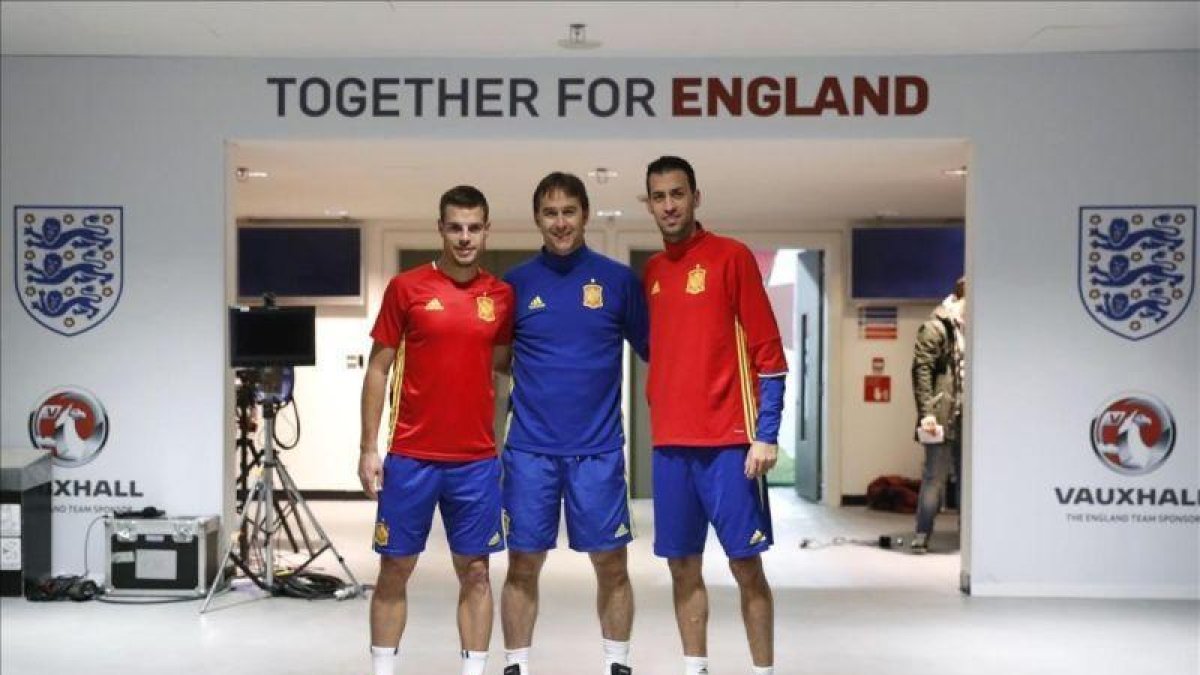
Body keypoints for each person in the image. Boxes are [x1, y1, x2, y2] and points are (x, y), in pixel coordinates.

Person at [357, 185, 514, 675]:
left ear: (486, 230)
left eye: (474, 227)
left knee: (477, 572)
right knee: (394, 570)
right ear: (441, 229)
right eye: (455, 227)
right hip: (411, 456)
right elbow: (378, 369)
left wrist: (501, 446)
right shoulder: (407, 289)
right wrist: (368, 448)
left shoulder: (501, 296)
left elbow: (502, 372)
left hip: (475, 463)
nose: (465, 237)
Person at [641, 155, 787, 675]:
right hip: (670, 447)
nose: (669, 205)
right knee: (682, 567)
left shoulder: (732, 258)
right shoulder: (653, 272)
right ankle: (694, 668)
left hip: (730, 445)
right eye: (658, 197)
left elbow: (769, 354)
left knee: (746, 567)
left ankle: (762, 671)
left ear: (696, 197)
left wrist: (765, 433)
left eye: (677, 194)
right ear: (650, 204)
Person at [498, 172, 649, 675]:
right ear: (537, 219)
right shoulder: (515, 285)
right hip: (530, 452)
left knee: (612, 564)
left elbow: (662, 353)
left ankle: (617, 665)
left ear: (585, 214)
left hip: (598, 453)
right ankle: (516, 665)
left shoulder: (618, 282)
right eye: (549, 213)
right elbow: (495, 364)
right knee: (522, 564)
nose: (560, 223)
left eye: (568, 212)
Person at [909, 277, 965, 554]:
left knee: (970, 478)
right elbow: (922, 370)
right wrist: (926, 413)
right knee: (935, 477)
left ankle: (969, 538)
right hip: (942, 415)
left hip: (970, 417)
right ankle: (922, 533)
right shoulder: (936, 327)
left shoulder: (974, 328)